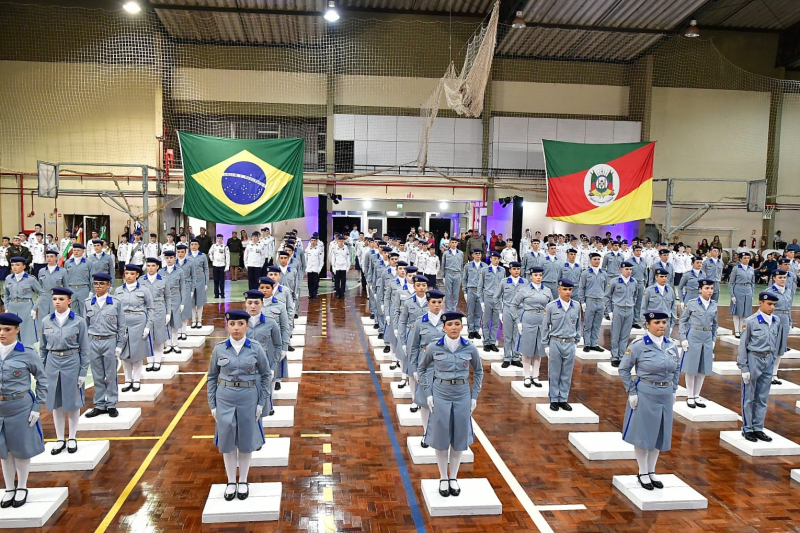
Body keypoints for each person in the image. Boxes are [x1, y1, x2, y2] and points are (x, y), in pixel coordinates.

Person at [207, 309, 271, 502]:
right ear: (227, 325)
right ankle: (230, 481)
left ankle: (243, 480)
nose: (236, 328)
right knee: (227, 442)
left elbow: (266, 374)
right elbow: (211, 377)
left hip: (248, 396)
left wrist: (261, 402)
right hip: (225, 397)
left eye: (240, 324)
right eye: (232, 324)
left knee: (245, 440)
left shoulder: (256, 348)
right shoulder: (219, 348)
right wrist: (213, 404)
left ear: (247, 325)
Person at [417, 311, 483, 498]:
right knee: (441, 436)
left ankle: (453, 477)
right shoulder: (433, 347)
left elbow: (478, 371)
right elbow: (422, 369)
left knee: (459, 436)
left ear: (462, 326)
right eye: (450, 324)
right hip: (440, 393)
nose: (454, 328)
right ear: (443, 327)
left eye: (457, 324)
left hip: (462, 393)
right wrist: (428, 393)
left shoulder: (469, 348)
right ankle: (443, 477)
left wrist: (474, 396)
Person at [619, 310, 680, 491]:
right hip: (646, 392)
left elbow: (676, 369)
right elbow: (624, 369)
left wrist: (674, 389)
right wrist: (632, 391)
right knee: (644, 434)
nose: (662, 326)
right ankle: (642, 471)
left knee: (659, 433)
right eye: (657, 323)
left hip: (665, 393)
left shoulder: (671, 345)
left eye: (664, 322)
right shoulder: (638, 345)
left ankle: (652, 470)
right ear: (647, 324)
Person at [0, 312, 48, 509]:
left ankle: (22, 486)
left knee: (21, 449)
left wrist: (37, 407)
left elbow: (43, 380)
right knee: (3, 451)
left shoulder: (27, 352)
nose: (2, 333)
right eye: (0, 329)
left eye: (7, 330)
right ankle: (9, 487)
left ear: (17, 330)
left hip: (21, 406)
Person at [40, 287, 89, 456]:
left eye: (61, 299)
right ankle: (60, 438)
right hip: (52, 363)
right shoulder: (46, 321)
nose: (57, 302)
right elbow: (43, 349)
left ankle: (73, 437)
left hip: (71, 361)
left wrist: (83, 372)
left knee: (73, 402)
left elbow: (85, 349)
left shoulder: (79, 321)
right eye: (55, 299)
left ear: (69, 301)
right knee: (56, 403)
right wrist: (43, 373)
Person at [738, 291, 781, 443]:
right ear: (760, 303)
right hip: (753, 358)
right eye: (769, 304)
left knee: (762, 397)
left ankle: (758, 427)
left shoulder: (776, 321)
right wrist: (744, 367)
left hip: (768, 360)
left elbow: (775, 342)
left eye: (774, 305)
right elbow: (743, 345)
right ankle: (747, 428)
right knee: (749, 396)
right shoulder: (751, 321)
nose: (772, 307)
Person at [83, 273, 126, 418]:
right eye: (95, 284)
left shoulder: (115, 302)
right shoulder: (88, 302)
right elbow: (85, 325)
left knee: (111, 374)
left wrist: (120, 345)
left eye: (101, 284)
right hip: (93, 341)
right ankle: (100, 404)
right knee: (97, 375)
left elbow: (122, 326)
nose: (98, 286)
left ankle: (112, 404)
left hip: (110, 340)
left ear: (109, 285)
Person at [407, 289, 445, 448]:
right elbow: (414, 346)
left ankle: (441, 433)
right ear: (428, 303)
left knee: (443, 401)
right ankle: (426, 433)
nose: (437, 305)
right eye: (434, 302)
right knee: (424, 401)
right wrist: (414, 368)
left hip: (445, 366)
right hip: (426, 365)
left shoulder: (448, 321)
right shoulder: (419, 322)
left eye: (439, 302)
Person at [542, 279, 581, 410]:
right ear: (559, 289)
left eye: (570, 289)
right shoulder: (551, 306)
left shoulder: (576, 306)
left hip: (569, 342)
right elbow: (545, 327)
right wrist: (546, 345)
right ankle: (553, 399)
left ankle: (563, 399)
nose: (568, 292)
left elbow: (578, 325)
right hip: (555, 342)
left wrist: (576, 341)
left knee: (567, 373)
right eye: (565, 289)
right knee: (554, 372)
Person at [115, 264, 154, 393]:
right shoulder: (118, 290)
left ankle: (136, 380)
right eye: (127, 274)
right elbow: (115, 309)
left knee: (137, 353)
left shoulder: (144, 290)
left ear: (137, 275)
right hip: (123, 322)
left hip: (139, 322)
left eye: (132, 274)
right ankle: (127, 380)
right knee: (125, 353)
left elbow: (150, 308)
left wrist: (148, 326)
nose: (129, 276)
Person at [678, 279, 717, 408]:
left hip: (707, 336)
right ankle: (690, 395)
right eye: (707, 288)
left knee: (703, 367)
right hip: (694, 335)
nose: (710, 291)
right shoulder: (692, 303)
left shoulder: (714, 305)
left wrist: (713, 339)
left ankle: (697, 395)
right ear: (700, 289)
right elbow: (683, 321)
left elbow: (715, 323)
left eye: (711, 288)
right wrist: (683, 338)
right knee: (691, 367)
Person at [512, 266, 553, 387]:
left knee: (539, 349)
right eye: (536, 275)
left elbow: (551, 306)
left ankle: (535, 375)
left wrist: (551, 323)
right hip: (528, 320)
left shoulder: (547, 290)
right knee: (527, 349)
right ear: (531, 276)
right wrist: (518, 321)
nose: (538, 277)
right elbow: (513, 305)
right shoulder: (524, 290)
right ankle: (526, 376)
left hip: (543, 321)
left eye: (540, 275)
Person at [256, 280, 290, 394]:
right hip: (258, 344)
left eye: (267, 288)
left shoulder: (279, 306)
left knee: (272, 373)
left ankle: (270, 401)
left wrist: (285, 347)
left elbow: (285, 327)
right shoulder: (253, 305)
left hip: (273, 344)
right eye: (262, 287)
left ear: (272, 289)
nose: (264, 290)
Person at [4, 257, 44, 346]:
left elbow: (42, 293)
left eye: (17, 265)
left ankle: (27, 354)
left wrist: (34, 308)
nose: (14, 267)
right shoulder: (8, 278)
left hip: (26, 307)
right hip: (12, 307)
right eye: (13, 265)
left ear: (24, 266)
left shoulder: (31, 279)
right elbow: (6, 294)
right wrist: (6, 308)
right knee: (12, 332)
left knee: (27, 334)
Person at [606, 261, 637, 367]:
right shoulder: (614, 281)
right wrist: (609, 311)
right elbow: (607, 296)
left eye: (630, 269)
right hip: (618, 309)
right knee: (616, 334)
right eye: (627, 269)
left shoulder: (634, 282)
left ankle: (622, 356)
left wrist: (632, 304)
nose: (629, 271)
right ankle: (614, 357)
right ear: (621, 270)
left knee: (625, 335)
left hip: (629, 309)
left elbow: (635, 295)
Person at [142, 258, 170, 372]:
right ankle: (150, 361)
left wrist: (168, 313)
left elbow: (167, 297)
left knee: (159, 336)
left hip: (159, 309)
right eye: (148, 266)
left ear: (157, 267)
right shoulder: (141, 280)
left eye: (153, 265)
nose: (150, 268)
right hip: (145, 310)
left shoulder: (163, 280)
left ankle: (157, 360)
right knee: (147, 337)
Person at [576, 252, 606, 353]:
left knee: (597, 324)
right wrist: (582, 302)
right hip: (590, 300)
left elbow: (606, 289)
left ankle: (594, 343)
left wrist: (605, 302)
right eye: (595, 259)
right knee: (588, 324)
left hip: (600, 301)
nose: (597, 261)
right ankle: (587, 343)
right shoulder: (585, 273)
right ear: (590, 261)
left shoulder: (604, 273)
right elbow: (581, 288)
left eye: (598, 259)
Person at [767, 269, 792, 386]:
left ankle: (774, 373)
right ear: (774, 278)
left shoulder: (788, 291)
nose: (782, 280)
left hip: (785, 321)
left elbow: (789, 307)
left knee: (781, 349)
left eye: (784, 278)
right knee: (772, 348)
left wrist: (790, 321)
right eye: (780, 277)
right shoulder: (769, 292)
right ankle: (768, 373)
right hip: (774, 320)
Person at [501, 261, 526, 368]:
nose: (516, 271)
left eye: (518, 269)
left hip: (520, 310)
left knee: (517, 335)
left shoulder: (525, 282)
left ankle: (515, 357)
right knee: (507, 335)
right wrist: (499, 312)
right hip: (507, 309)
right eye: (514, 269)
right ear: (510, 270)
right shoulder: (504, 282)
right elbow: (496, 297)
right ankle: (507, 357)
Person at [478, 251, 504, 353]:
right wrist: (481, 301)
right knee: (486, 321)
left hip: (498, 299)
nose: (496, 261)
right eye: (495, 259)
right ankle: (486, 342)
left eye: (498, 259)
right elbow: (480, 287)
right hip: (487, 298)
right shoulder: (484, 270)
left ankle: (493, 342)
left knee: (496, 322)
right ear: (491, 259)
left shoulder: (502, 270)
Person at [36, 250, 67, 332]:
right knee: (42, 320)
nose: (49, 258)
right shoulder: (42, 271)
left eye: (51, 256)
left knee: (56, 319)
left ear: (56, 258)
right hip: (44, 297)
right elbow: (39, 287)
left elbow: (66, 287)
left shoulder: (62, 271)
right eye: (47, 256)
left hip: (56, 297)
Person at [641, 269, 676, 334]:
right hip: (653, 321)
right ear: (656, 277)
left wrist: (671, 325)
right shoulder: (649, 290)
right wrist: (645, 325)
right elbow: (643, 308)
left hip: (666, 322)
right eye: (661, 276)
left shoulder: (670, 290)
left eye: (665, 277)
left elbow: (673, 308)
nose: (664, 278)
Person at [729, 252, 755, 338]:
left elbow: (753, 282)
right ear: (740, 259)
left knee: (745, 312)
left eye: (748, 258)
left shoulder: (751, 269)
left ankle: (742, 330)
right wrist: (732, 295)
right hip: (738, 289)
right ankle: (737, 330)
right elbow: (731, 282)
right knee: (737, 312)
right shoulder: (736, 269)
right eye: (745, 258)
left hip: (748, 290)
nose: (747, 259)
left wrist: (752, 293)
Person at [462, 249, 485, 340]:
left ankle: (476, 330)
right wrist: (464, 292)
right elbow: (464, 279)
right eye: (476, 254)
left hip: (481, 291)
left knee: (479, 312)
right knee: (470, 311)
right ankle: (470, 330)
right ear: (472, 255)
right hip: (471, 289)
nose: (478, 255)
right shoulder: (468, 266)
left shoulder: (485, 266)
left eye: (479, 253)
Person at [63, 243, 91, 317]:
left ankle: (84, 327)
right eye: (74, 250)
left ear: (82, 252)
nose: (76, 252)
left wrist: (91, 291)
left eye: (78, 250)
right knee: (73, 311)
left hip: (84, 289)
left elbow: (92, 277)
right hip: (71, 289)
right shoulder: (68, 263)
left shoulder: (88, 263)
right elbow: (65, 278)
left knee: (85, 311)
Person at [188, 239, 209, 328]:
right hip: (190, 281)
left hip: (200, 280)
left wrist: (206, 283)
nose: (193, 246)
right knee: (192, 302)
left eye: (195, 244)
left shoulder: (203, 256)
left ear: (198, 245)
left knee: (200, 301)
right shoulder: (187, 256)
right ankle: (193, 320)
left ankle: (199, 320)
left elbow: (206, 269)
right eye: (192, 244)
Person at [442, 238, 464, 313]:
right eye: (452, 242)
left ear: (457, 243)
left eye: (455, 242)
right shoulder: (446, 253)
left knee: (456, 293)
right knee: (448, 293)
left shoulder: (460, 253)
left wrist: (461, 275)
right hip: (449, 273)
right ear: (450, 243)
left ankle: (454, 309)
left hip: (457, 274)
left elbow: (461, 265)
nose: (454, 244)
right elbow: (443, 265)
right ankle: (448, 309)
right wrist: (443, 276)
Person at [209, 234, 230, 300]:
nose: (219, 239)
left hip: (222, 265)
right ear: (216, 239)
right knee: (216, 281)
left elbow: (228, 257)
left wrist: (227, 266)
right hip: (215, 265)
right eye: (218, 238)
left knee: (222, 281)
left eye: (220, 238)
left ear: (222, 239)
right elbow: (210, 253)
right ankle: (216, 294)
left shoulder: (225, 246)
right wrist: (212, 259)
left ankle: (222, 294)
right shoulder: (214, 246)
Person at [330, 235, 350, 299]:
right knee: (337, 282)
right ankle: (338, 293)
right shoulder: (334, 248)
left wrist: (347, 267)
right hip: (337, 267)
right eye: (340, 241)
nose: (341, 242)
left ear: (343, 241)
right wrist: (334, 268)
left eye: (342, 241)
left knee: (343, 282)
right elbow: (333, 259)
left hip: (344, 267)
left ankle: (342, 293)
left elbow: (348, 258)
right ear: (338, 241)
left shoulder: (346, 248)